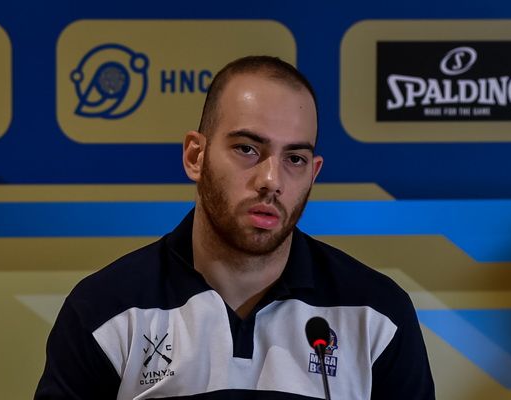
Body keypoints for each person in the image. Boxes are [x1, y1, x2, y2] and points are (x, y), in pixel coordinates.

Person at [35, 55, 435, 399]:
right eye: (247, 149)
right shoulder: (105, 310)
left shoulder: (378, 315)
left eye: (294, 159)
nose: (271, 180)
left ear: (313, 174)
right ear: (196, 156)